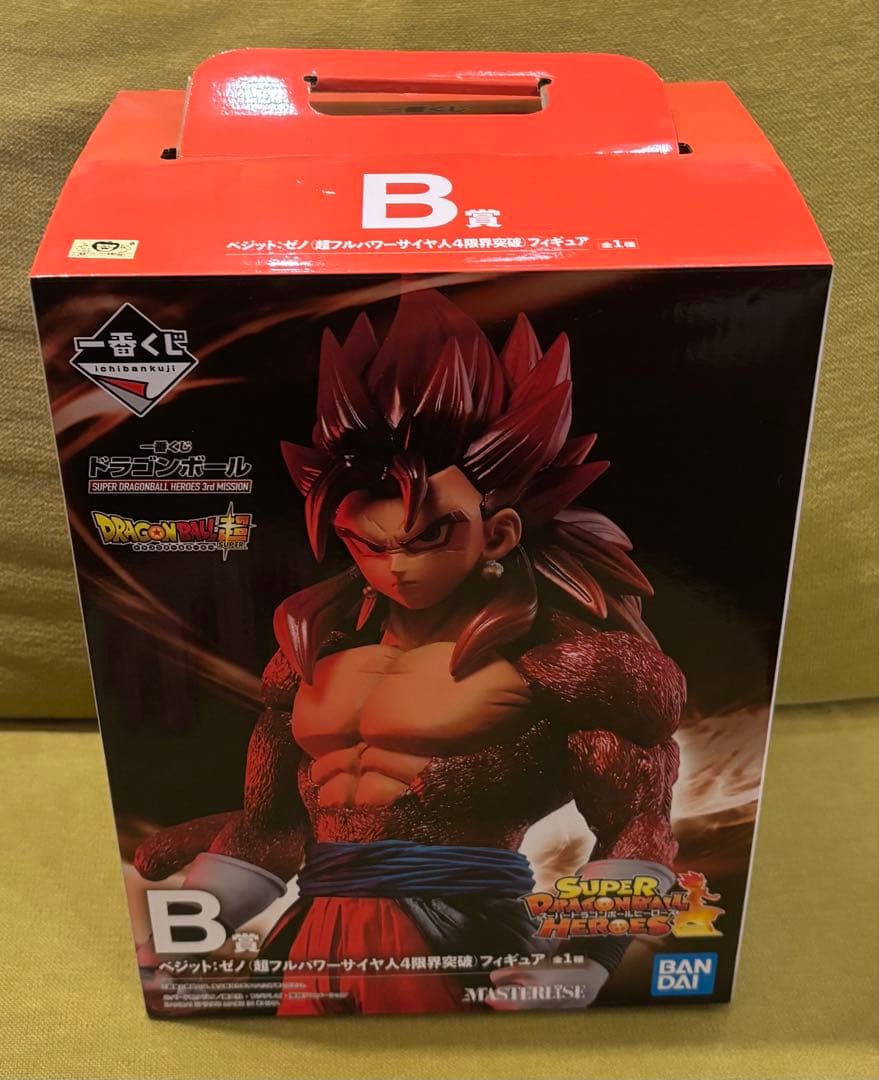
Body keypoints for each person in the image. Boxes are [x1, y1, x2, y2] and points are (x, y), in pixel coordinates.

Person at [135, 288, 685, 1014]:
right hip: (309, 938)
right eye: (369, 543)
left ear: (499, 533)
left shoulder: (570, 669)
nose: (396, 566)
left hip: (466, 940)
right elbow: (269, 832)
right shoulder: (309, 661)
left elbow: (640, 826)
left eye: (428, 537)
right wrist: (182, 934)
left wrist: (584, 961)